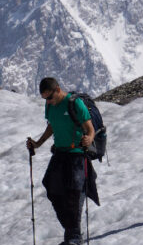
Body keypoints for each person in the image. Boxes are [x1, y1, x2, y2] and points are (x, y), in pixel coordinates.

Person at [26, 77, 99, 245]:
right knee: (51, 186)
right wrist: (37, 144)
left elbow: (90, 129)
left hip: (77, 153)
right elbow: (52, 125)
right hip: (60, 152)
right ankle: (72, 232)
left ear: (58, 89)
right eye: (45, 99)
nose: (48, 102)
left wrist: (89, 139)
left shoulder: (75, 104)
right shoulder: (50, 106)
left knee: (73, 192)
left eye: (50, 97)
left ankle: (74, 237)